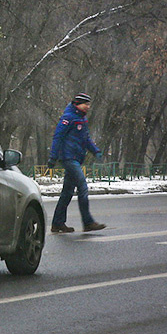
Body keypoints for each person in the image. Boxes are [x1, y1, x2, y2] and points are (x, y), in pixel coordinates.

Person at [48, 93, 106, 234]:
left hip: (76, 158)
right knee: (82, 187)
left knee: (67, 192)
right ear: (77, 104)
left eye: (89, 104)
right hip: (68, 158)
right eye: (85, 104)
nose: (88, 106)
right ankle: (88, 222)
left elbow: (86, 139)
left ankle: (57, 224)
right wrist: (53, 157)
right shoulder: (68, 118)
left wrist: (95, 151)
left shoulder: (82, 119)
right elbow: (58, 137)